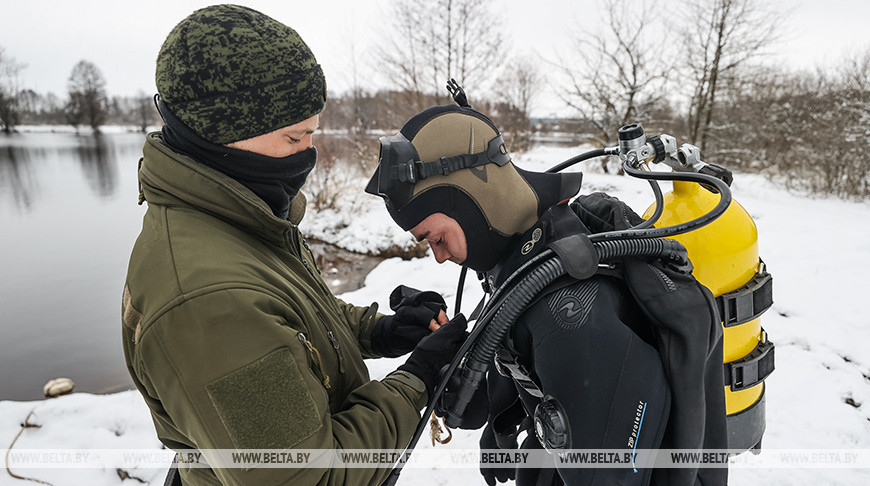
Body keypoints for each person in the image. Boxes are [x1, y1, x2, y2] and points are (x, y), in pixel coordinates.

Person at [121, 5, 468, 485]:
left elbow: (292, 322)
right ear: (223, 133)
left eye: (313, 132)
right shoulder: (207, 303)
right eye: (294, 136)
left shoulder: (240, 215)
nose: (309, 151)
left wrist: (380, 331)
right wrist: (418, 379)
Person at [365, 104, 729, 485]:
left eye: (436, 238)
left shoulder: (571, 313)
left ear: (472, 200)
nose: (439, 257)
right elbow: (515, 368)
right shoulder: (527, 256)